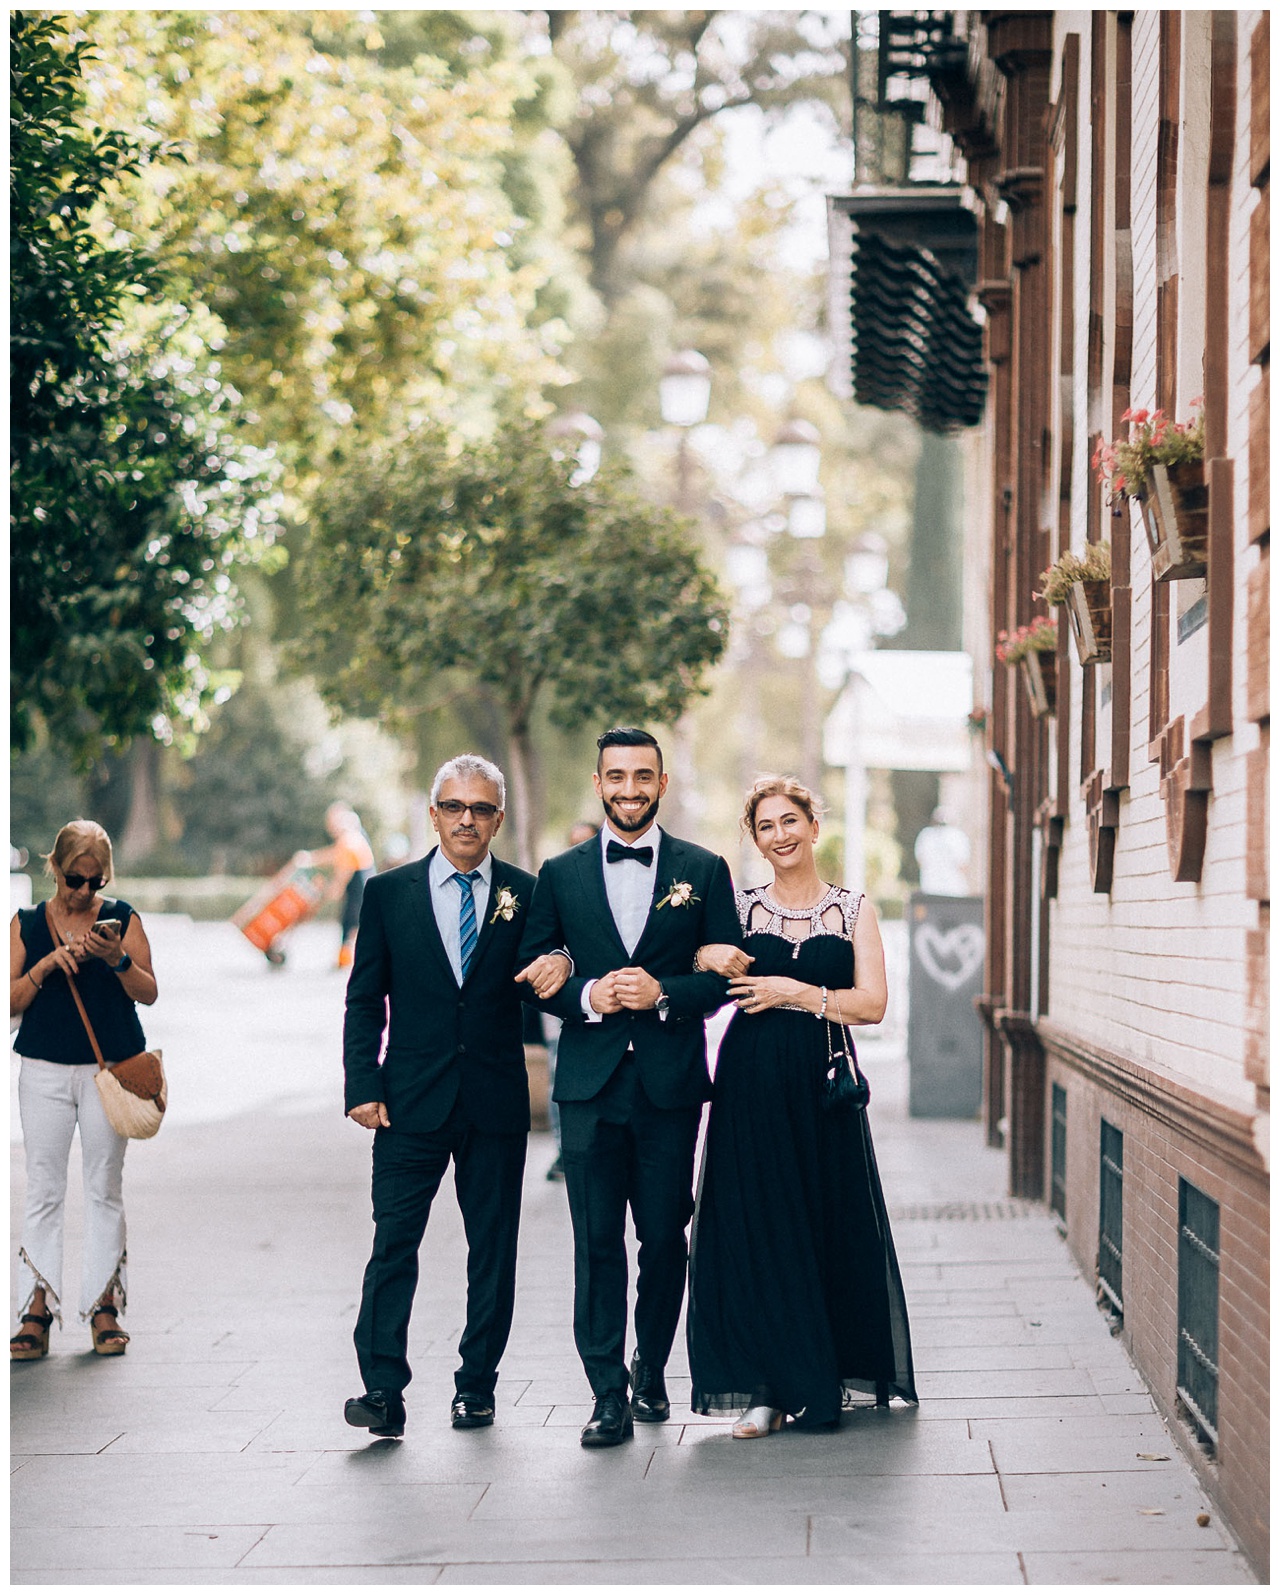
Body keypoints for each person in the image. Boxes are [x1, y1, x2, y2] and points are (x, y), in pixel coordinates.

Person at [517, 728, 739, 1448]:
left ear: (662, 784)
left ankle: (652, 1367)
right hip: (588, 1088)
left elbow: (722, 978)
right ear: (598, 780)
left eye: (643, 775)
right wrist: (590, 996)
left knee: (664, 1238)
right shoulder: (560, 871)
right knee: (596, 1242)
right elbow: (538, 975)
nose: (629, 788)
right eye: (617, 775)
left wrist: (661, 991)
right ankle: (606, 1391)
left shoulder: (703, 870)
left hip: (670, 1089)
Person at [342, 755, 569, 1438]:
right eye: (453, 806)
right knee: (393, 1245)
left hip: (496, 1100)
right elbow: (363, 1000)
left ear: (498, 817)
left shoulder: (528, 893)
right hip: (408, 1099)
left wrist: (565, 963)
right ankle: (382, 1388)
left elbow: (547, 975)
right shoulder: (388, 893)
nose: (466, 818)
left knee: (493, 1249)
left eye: (480, 808)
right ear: (434, 812)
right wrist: (361, 1083)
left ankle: (477, 1386)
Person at [688, 776, 916, 1437]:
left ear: (814, 827)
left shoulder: (852, 909)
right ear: (754, 838)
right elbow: (702, 962)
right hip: (750, 1083)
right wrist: (706, 949)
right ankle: (765, 1387)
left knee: (825, 1220)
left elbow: (871, 1004)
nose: (781, 834)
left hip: (822, 1086)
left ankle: (824, 1373)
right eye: (766, 825)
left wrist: (795, 990)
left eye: (791, 820)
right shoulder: (740, 906)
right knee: (757, 1228)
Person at [9, 820, 158, 1360]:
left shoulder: (122, 917)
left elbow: (149, 990)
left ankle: (103, 1306)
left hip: (108, 1071)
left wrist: (115, 957)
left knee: (103, 1185)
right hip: (45, 1071)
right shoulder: (25, 924)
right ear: (54, 868)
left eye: (95, 882)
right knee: (44, 1188)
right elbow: (10, 1002)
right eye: (75, 879)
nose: (84, 892)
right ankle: (35, 1307)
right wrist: (48, 964)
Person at [543, 820, 601, 1183]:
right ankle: (564, 1150)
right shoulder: (558, 880)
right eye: (573, 841)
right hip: (565, 1006)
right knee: (554, 1079)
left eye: (585, 841)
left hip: (608, 1011)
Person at [305, 803, 377, 968]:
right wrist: (311, 858)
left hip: (360, 890)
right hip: (361, 889)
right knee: (351, 922)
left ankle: (348, 959)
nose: (330, 827)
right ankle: (346, 958)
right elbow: (333, 855)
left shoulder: (349, 840)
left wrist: (335, 888)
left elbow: (344, 869)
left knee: (352, 923)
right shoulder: (351, 838)